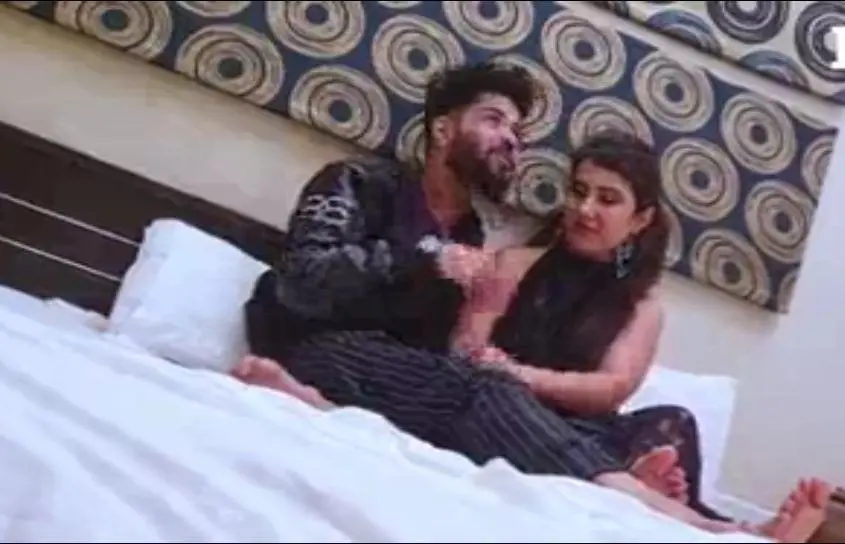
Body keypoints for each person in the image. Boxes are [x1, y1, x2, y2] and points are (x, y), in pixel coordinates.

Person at [239, 62, 829, 538]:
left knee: (504, 400)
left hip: (398, 379)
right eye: (495, 120)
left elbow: (442, 358)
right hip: (324, 345)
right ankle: (686, 517)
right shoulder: (356, 182)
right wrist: (425, 264)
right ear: (443, 129)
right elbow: (302, 280)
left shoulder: (470, 233)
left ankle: (318, 407)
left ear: (640, 220)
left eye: (518, 134)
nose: (511, 140)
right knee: (484, 390)